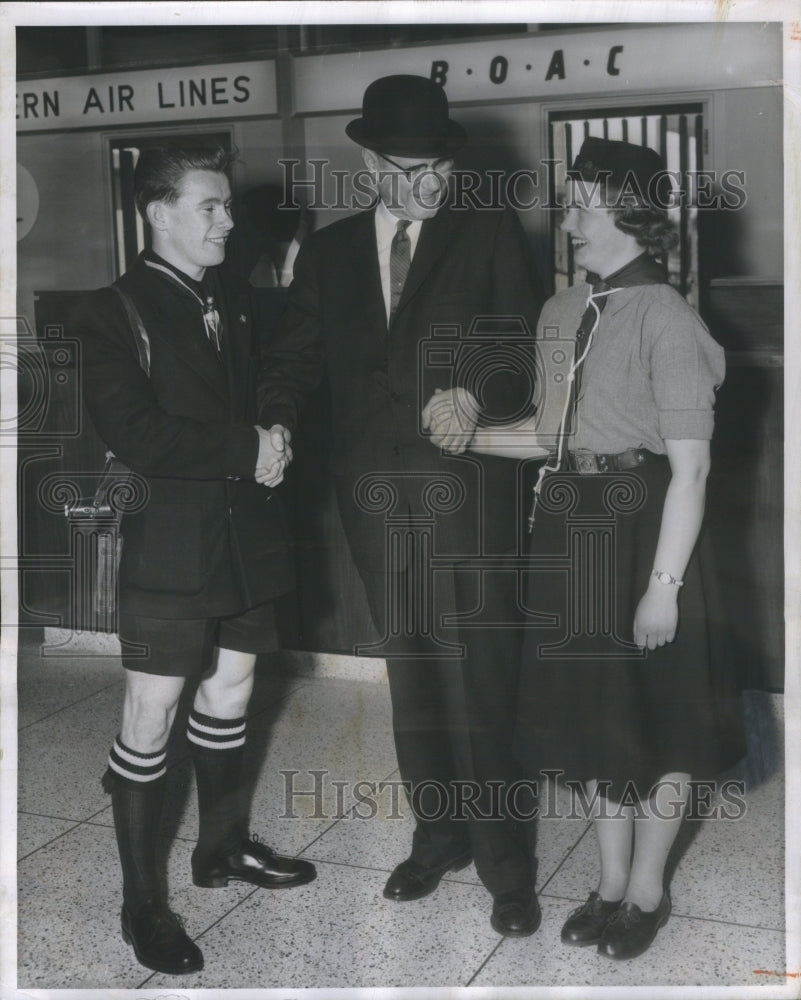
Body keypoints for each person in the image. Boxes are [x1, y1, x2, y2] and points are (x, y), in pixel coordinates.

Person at [258, 75, 545, 936]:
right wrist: (272, 418)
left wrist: (474, 394)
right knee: (412, 674)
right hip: (374, 499)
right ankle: (437, 836)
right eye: (408, 169)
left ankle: (506, 867)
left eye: (439, 169)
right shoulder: (333, 251)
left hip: (471, 495)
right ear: (369, 161)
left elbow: (526, 346)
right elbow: (296, 358)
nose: (428, 185)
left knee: (483, 680)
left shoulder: (488, 230)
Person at [464, 137, 745, 959]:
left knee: (660, 720)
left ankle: (649, 890)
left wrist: (663, 586)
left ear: (629, 216)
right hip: (572, 525)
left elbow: (690, 472)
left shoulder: (668, 318)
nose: (568, 221)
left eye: (583, 205)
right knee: (593, 718)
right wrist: (471, 433)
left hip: (646, 525)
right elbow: (551, 438)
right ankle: (610, 880)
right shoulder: (560, 313)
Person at [75, 146, 316, 977]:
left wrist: (276, 428)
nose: (227, 220)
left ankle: (221, 849)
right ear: (159, 212)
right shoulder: (110, 311)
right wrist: (245, 445)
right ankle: (142, 904)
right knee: (151, 714)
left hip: (247, 536)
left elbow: (282, 371)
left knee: (233, 690)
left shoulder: (240, 302)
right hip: (170, 544)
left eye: (226, 206)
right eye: (208, 206)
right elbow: (135, 434)